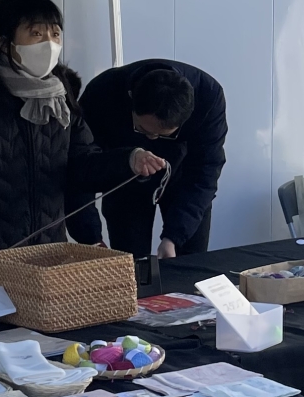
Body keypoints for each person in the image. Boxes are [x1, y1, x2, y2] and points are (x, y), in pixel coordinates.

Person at [0, 0, 165, 304]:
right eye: (35, 33)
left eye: (55, 33)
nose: (49, 43)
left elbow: (81, 167)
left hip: (44, 263)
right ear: (5, 44)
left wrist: (128, 160)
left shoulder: (62, 103)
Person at [71, 59, 228, 258]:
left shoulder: (209, 96)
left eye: (165, 135)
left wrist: (173, 237)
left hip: (183, 180)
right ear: (131, 100)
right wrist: (90, 238)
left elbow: (205, 174)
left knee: (190, 262)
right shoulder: (103, 92)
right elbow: (80, 169)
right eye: (142, 130)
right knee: (133, 264)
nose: (152, 139)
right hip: (124, 177)